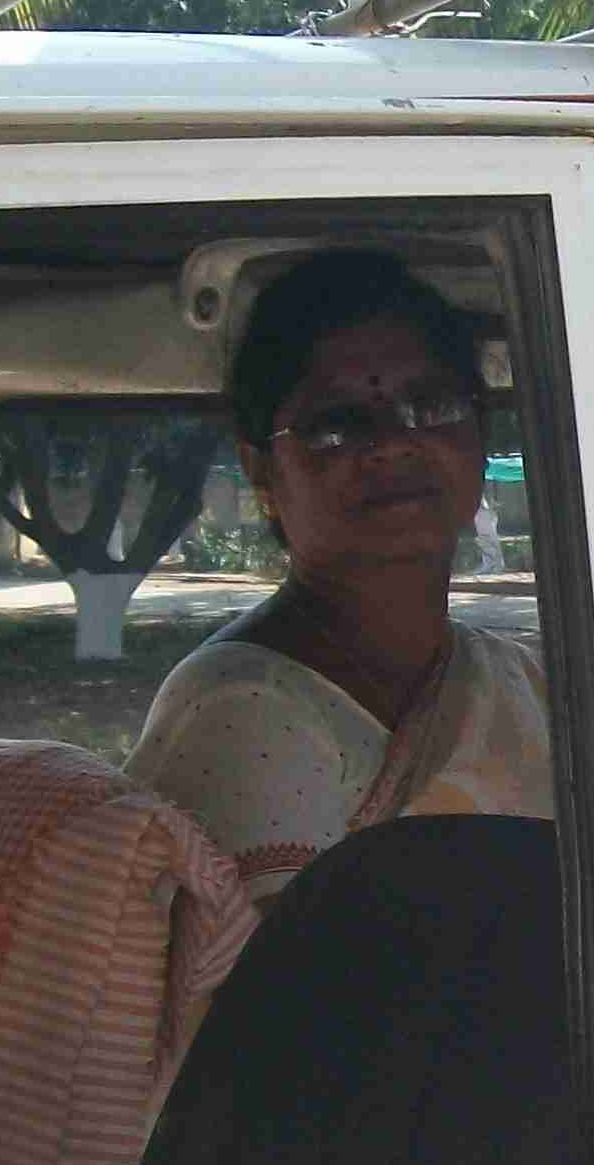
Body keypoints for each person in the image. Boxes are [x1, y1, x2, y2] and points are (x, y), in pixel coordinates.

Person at [127, 249, 553, 901]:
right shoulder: (239, 714)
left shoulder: (525, 680)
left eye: (431, 404)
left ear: (479, 432)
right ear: (262, 469)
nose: (393, 442)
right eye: (336, 424)